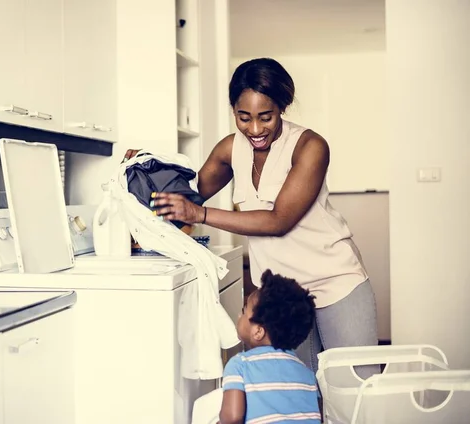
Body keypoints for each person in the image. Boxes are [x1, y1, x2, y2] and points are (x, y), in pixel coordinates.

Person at [124, 57, 378, 376]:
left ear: (282, 107)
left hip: (336, 282)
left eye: (266, 117)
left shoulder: (310, 147)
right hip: (281, 296)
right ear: (233, 111)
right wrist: (145, 166)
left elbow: (278, 221)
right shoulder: (230, 150)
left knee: (356, 390)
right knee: (292, 393)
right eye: (244, 118)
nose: (255, 129)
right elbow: (186, 196)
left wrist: (199, 213)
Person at [218, 269, 320, 424]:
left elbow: (233, 417)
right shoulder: (307, 373)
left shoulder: (240, 364)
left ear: (258, 332)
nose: (240, 316)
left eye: (244, 312)